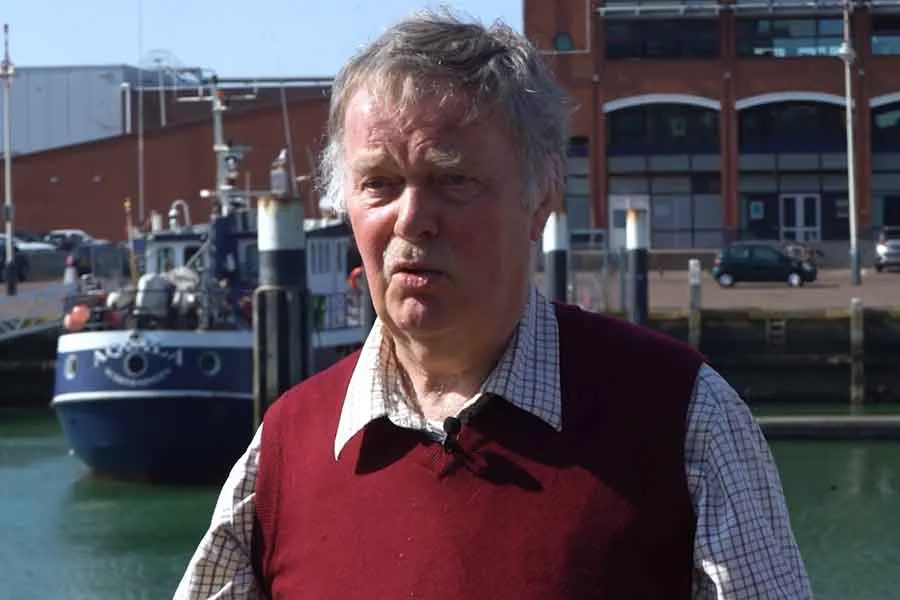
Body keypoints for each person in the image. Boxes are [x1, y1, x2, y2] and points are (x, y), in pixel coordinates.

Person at [174, 10, 813, 600]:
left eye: (453, 180)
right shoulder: (286, 446)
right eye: (380, 184)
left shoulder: (681, 417)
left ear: (542, 199)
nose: (412, 219)